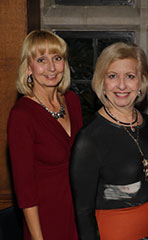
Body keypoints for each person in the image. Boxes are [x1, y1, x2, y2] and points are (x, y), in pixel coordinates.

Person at [70, 42, 148, 240]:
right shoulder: (89, 138)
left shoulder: (147, 123)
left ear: (141, 82)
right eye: (112, 76)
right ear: (102, 83)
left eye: (130, 76)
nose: (121, 85)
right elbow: (83, 212)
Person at [7, 30, 82, 240]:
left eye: (57, 58)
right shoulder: (21, 115)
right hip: (45, 220)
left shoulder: (72, 101)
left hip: (79, 214)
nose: (51, 68)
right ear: (29, 67)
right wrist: (37, 237)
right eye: (41, 60)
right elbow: (25, 189)